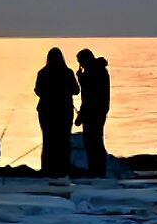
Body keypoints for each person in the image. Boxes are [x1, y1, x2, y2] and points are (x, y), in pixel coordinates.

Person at [35, 48, 78, 177]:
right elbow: (76, 90)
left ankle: (47, 168)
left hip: (46, 112)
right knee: (64, 141)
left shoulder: (42, 73)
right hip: (64, 111)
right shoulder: (68, 72)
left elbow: (38, 91)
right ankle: (63, 168)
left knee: (48, 140)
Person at [75, 49, 112, 178]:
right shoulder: (99, 70)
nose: (80, 65)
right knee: (95, 141)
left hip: (93, 112)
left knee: (92, 142)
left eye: (80, 62)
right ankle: (98, 170)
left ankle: (96, 171)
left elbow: (89, 96)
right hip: (99, 110)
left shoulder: (93, 72)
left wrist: (81, 116)